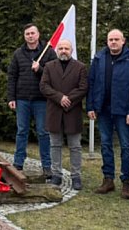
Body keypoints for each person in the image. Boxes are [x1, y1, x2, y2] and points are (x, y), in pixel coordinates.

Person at [87, 29, 129, 198]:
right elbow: (92, 83)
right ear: (107, 41)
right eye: (110, 39)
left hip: (123, 112)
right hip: (103, 110)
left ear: (123, 41)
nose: (113, 42)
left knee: (126, 147)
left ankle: (126, 182)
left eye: (116, 39)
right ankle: (108, 179)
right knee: (105, 145)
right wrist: (91, 106)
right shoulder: (99, 59)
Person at [7, 23, 57, 176]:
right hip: (22, 99)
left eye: (32, 33)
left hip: (41, 100)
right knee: (22, 131)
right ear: (24, 36)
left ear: (38, 34)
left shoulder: (48, 53)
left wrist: (40, 69)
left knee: (43, 132)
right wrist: (11, 97)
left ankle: (46, 165)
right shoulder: (18, 54)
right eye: (27, 33)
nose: (30, 36)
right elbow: (12, 76)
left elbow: (54, 75)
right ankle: (18, 163)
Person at [39, 39, 88, 190]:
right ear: (56, 50)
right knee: (55, 145)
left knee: (75, 146)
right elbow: (44, 86)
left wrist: (69, 99)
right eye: (60, 48)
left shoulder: (80, 67)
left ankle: (76, 176)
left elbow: (83, 87)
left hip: (72, 111)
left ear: (71, 50)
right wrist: (59, 97)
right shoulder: (49, 66)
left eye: (66, 48)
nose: (63, 51)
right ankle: (56, 174)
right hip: (54, 111)